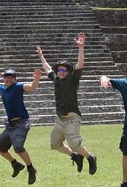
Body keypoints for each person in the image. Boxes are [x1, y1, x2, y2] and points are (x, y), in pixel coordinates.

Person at [36, 32, 98, 175]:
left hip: (72, 119)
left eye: (64, 70)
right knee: (55, 145)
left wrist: (81, 47)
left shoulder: (73, 79)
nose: (61, 72)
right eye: (59, 70)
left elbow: (80, 64)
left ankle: (90, 157)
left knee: (75, 144)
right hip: (60, 120)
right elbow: (47, 69)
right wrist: (41, 56)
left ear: (68, 72)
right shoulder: (56, 79)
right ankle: (75, 157)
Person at [0, 68, 41, 185]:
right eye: (7, 77)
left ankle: (31, 168)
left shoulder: (18, 87)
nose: (9, 79)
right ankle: (16, 164)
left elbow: (31, 86)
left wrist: (36, 79)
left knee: (18, 147)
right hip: (10, 124)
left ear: (15, 79)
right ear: (4, 79)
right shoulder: (2, 89)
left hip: (22, 122)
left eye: (12, 77)